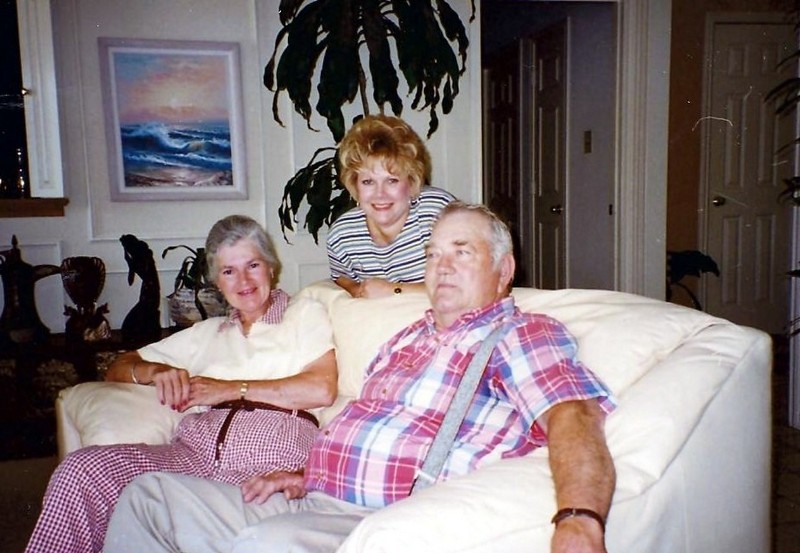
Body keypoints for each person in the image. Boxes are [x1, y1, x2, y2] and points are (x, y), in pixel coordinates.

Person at [104, 202, 616, 553]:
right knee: (151, 497)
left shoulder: (519, 334)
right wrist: (306, 474)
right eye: (433, 254)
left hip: (384, 518)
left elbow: (572, 417)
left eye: (461, 252)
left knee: (266, 546)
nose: (441, 266)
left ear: (504, 270)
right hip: (311, 496)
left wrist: (579, 519)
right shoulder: (406, 338)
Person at [25, 215, 337, 553]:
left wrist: (230, 389)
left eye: (253, 265)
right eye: (229, 271)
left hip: (271, 455)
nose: (244, 280)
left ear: (271, 268)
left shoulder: (303, 313)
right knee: (83, 470)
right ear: (216, 282)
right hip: (191, 453)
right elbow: (119, 366)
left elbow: (321, 388)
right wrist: (155, 371)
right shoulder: (207, 333)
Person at [326, 114, 456, 298]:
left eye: (392, 180)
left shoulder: (438, 212)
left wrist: (394, 290)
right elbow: (342, 281)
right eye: (368, 182)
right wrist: (358, 291)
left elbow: (469, 282)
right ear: (354, 185)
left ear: (411, 181)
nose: (380, 194)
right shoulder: (342, 235)